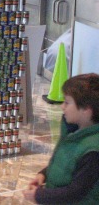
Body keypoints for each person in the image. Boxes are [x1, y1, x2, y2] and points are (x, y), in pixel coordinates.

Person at [23, 73, 99, 204]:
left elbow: (76, 192)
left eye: (67, 102)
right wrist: (44, 174)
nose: (62, 106)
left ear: (86, 109)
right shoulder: (74, 131)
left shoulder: (93, 151)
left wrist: (39, 196)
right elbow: (64, 162)